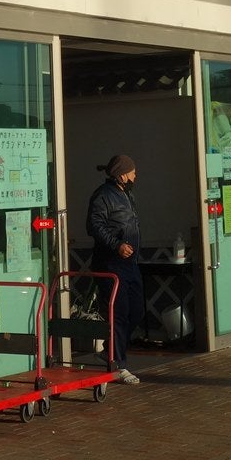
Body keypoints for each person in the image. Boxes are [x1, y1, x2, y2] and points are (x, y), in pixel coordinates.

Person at [87, 154, 144, 385]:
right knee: (119, 313)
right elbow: (94, 226)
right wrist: (116, 245)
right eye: (132, 172)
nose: (135, 176)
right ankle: (119, 364)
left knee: (137, 311)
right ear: (122, 175)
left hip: (130, 263)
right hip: (111, 264)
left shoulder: (126, 194)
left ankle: (110, 349)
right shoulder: (103, 195)